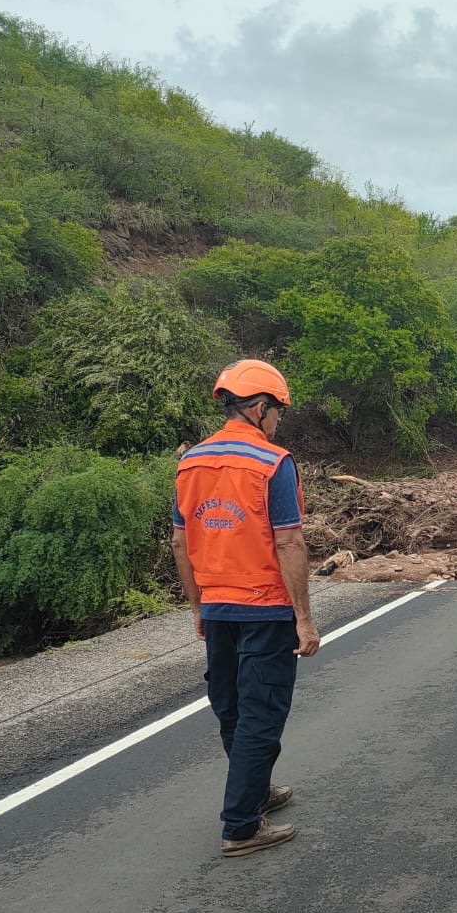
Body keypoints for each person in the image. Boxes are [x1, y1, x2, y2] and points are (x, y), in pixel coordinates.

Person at [172, 359, 321, 859]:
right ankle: (241, 825)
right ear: (260, 408)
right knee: (262, 713)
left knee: (233, 707)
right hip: (264, 608)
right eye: (277, 412)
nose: (278, 422)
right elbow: (290, 542)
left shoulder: (190, 462)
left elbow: (179, 542)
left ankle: (253, 791)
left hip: (216, 607)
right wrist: (303, 617)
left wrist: (197, 607)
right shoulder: (273, 463)